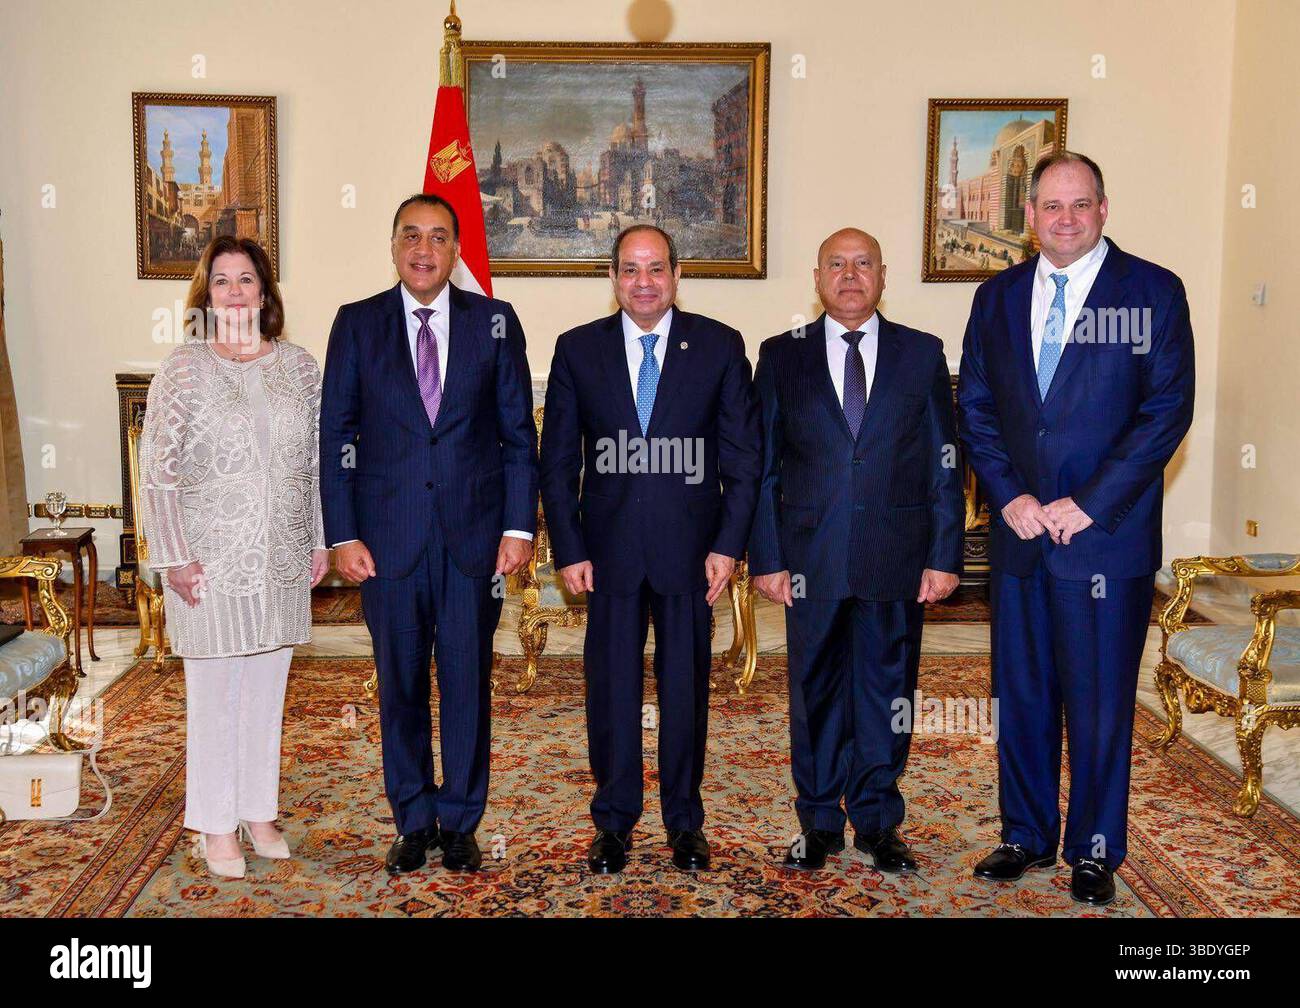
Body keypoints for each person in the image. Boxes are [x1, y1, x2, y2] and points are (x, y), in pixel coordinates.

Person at [957, 152, 1195, 905]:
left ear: (1103, 209)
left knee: (1097, 702)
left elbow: (1166, 413)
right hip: (1022, 536)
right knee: (1021, 694)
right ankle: (1024, 834)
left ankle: (1095, 848)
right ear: (1028, 219)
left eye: (1080, 204)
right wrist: (1011, 497)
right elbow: (978, 410)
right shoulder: (995, 297)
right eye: (1051, 206)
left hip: (1104, 536)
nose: (1065, 218)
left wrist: (1089, 502)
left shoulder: (1153, 292)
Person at [319, 194, 537, 874]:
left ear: (455, 251)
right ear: (393, 246)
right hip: (387, 543)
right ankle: (413, 819)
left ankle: (462, 819)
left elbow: (517, 436)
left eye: (439, 237)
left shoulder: (495, 323)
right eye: (411, 234)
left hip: (475, 542)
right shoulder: (357, 325)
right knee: (402, 684)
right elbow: (336, 437)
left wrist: (517, 525)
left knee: (468, 682)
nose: (424, 247)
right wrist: (343, 533)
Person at [539, 225, 760, 874]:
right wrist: (569, 546)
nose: (644, 282)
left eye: (656, 269)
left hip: (691, 554)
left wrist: (729, 544)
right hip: (605, 555)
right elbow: (557, 465)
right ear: (613, 277)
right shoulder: (578, 351)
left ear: (675, 274)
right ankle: (613, 821)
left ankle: (684, 823)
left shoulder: (718, 347)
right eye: (631, 270)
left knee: (685, 688)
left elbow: (744, 460)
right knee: (609, 687)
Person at [748, 229, 964, 873]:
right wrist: (766, 557)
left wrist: (945, 553)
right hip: (809, 558)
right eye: (836, 265)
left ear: (883, 275)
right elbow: (763, 466)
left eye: (862, 263)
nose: (849, 275)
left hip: (896, 555)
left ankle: (875, 817)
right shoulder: (780, 356)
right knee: (814, 690)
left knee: (886, 688)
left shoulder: (921, 354)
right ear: (816, 279)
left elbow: (944, 465)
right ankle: (817, 819)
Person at [139, 235, 328, 880]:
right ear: (206, 294)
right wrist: (172, 557)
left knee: (267, 691)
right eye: (221, 281)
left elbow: (316, 466)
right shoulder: (183, 369)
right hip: (208, 565)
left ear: (265, 291)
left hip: (279, 560)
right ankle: (214, 825)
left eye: (246, 279)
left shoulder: (301, 367)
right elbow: (156, 473)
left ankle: (258, 811)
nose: (235, 291)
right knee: (215, 696)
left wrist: (319, 541)